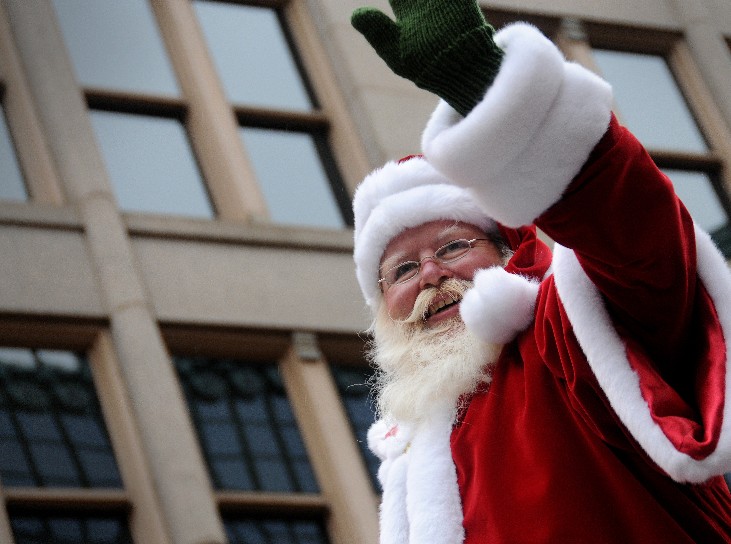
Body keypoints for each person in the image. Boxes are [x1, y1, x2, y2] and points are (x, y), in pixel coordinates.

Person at [349, 0, 731, 542]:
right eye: (402, 269)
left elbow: (634, 236)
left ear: (510, 252)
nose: (430, 274)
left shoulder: (569, 339)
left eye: (454, 247)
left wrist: (487, 91)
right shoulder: (412, 440)